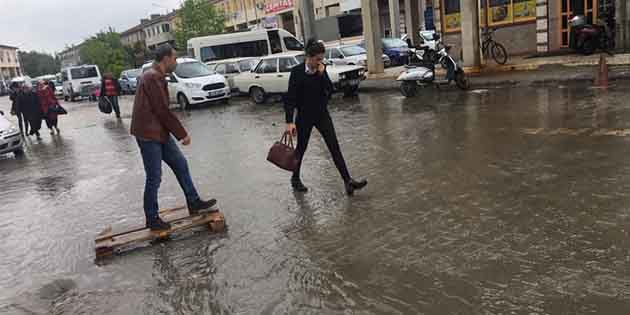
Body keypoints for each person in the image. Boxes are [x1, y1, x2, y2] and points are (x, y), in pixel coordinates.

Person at [130, 43, 217, 231]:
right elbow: (162, 110)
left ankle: (193, 201)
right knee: (154, 177)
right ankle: (152, 218)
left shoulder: (156, 76)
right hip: (148, 134)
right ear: (166, 59)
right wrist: (182, 134)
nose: (176, 62)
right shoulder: (152, 77)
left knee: (180, 164)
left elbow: (161, 111)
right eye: (175, 58)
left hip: (159, 131)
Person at [284, 39, 368, 196]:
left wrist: (322, 75)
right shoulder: (296, 72)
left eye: (321, 59)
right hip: (304, 117)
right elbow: (290, 99)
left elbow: (330, 91)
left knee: (334, 146)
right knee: (301, 149)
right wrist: (289, 122)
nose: (320, 62)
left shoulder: (321, 71)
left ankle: (348, 181)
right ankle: (295, 179)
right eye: (317, 59)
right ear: (308, 57)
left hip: (322, 115)